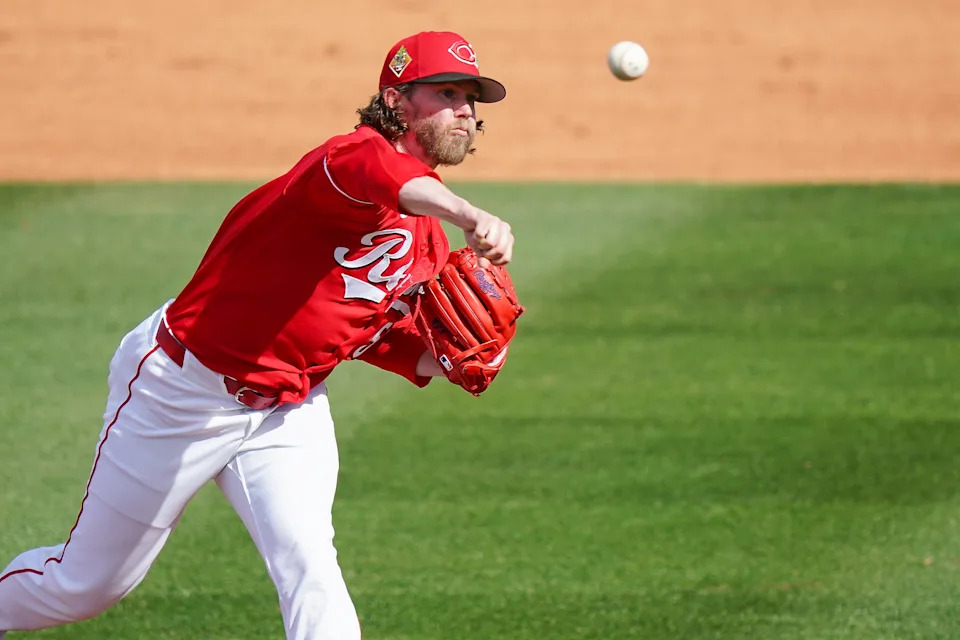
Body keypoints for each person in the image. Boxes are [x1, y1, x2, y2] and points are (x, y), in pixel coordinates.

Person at [0, 30, 514, 640]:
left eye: (472, 99)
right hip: (181, 390)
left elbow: (372, 336)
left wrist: (448, 362)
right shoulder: (348, 162)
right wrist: (467, 213)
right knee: (86, 586)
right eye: (447, 93)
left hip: (286, 410)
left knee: (311, 568)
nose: (465, 110)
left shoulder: (425, 243)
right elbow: (378, 173)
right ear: (399, 101)